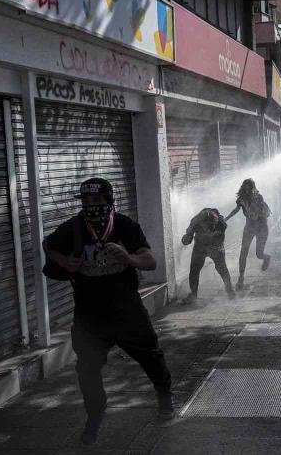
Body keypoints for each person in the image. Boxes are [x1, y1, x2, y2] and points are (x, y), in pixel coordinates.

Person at [42, 178, 173, 446]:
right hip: (90, 316)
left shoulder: (125, 226)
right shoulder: (74, 228)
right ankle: (95, 415)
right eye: (86, 202)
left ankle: (165, 398)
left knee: (152, 358)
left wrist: (129, 259)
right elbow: (48, 244)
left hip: (127, 311)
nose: (91, 207)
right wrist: (64, 261)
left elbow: (151, 261)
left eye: (97, 202)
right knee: (86, 369)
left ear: (109, 202)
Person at [225, 178, 271, 290]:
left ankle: (266, 257)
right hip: (249, 228)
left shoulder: (258, 197)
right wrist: (227, 218)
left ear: (252, 188)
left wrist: (256, 212)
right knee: (243, 252)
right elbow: (236, 209)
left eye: (248, 188)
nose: (246, 190)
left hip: (261, 227)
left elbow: (262, 212)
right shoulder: (241, 199)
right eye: (244, 188)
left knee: (259, 254)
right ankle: (241, 278)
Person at [181, 208, 235, 303]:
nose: (210, 228)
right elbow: (188, 237)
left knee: (221, 268)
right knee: (194, 269)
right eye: (208, 226)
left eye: (213, 226)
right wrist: (186, 239)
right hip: (199, 246)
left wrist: (216, 248)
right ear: (201, 223)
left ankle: (229, 288)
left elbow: (221, 239)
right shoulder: (195, 222)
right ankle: (193, 295)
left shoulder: (221, 223)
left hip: (215, 245)